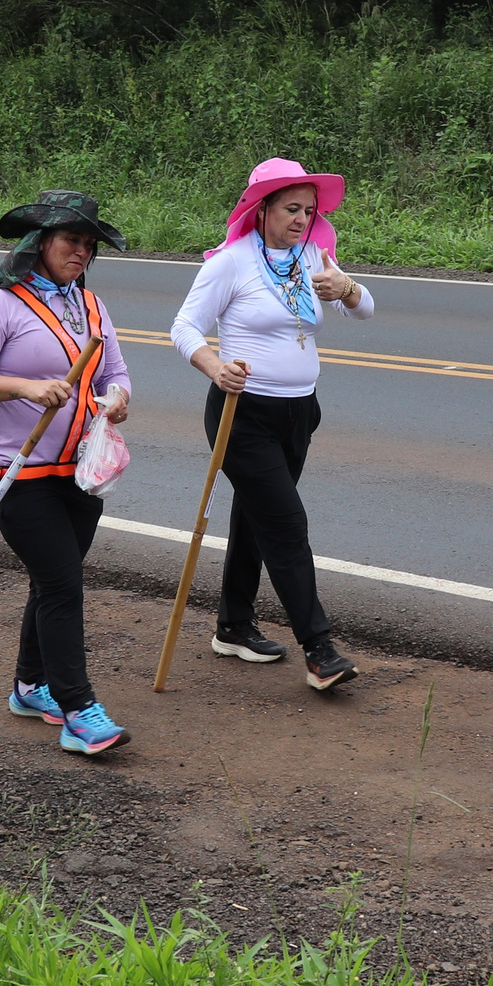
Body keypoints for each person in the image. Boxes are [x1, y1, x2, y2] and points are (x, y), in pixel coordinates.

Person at [169, 157, 375, 691]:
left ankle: (234, 626)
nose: (302, 220)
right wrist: (215, 367)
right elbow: (183, 326)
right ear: (262, 209)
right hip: (244, 415)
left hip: (300, 411)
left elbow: (365, 309)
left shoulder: (314, 257)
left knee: (257, 516)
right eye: (291, 209)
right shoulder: (231, 263)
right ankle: (320, 650)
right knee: (285, 525)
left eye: (309, 210)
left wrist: (346, 289)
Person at [0, 191, 134, 755]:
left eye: (88, 244)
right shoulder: (0, 306)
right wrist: (25, 387)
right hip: (19, 471)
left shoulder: (92, 306)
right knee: (62, 582)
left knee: (55, 579)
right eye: (71, 241)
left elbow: (117, 372)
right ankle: (79, 711)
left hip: (79, 470)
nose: (81, 252)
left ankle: (30, 687)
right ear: (40, 243)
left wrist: (118, 398)